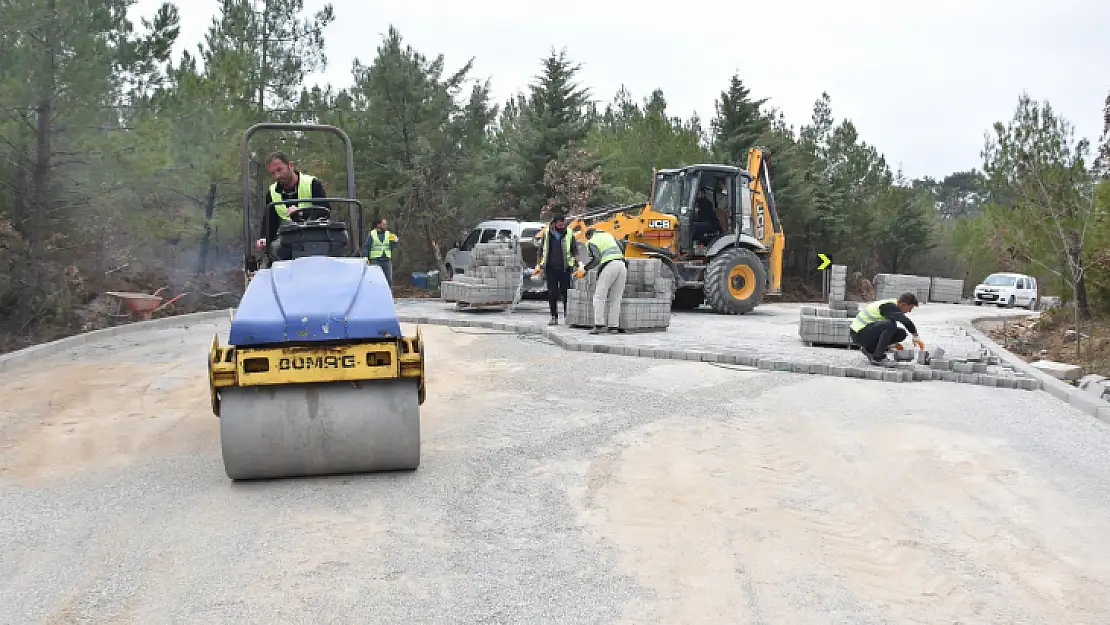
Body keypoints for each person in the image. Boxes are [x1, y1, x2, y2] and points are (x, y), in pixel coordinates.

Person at [256, 151, 329, 257]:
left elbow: (324, 210)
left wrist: (301, 213)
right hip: (288, 240)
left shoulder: (312, 184)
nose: (277, 176)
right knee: (275, 251)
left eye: (279, 170)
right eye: (273, 173)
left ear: (290, 166)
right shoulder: (272, 192)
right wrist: (264, 238)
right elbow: (270, 221)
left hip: (315, 236)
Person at [849, 292, 925, 365]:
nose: (910, 311)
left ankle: (870, 349)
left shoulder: (893, 304)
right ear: (904, 305)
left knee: (901, 333)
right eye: (910, 308)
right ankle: (878, 358)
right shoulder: (889, 306)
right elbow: (904, 320)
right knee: (890, 324)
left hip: (866, 332)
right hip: (858, 334)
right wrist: (915, 335)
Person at [534, 214, 580, 325]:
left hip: (565, 269)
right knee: (552, 293)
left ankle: (567, 316)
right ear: (554, 223)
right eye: (560, 224)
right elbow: (540, 251)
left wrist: (579, 264)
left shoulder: (569, 233)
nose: (562, 226)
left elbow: (575, 250)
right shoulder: (547, 234)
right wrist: (538, 265)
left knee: (565, 293)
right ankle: (554, 316)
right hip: (550, 269)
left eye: (564, 224)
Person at [581, 227, 628, 334]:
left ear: (588, 235)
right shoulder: (609, 235)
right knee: (616, 298)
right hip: (622, 265)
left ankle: (598, 325)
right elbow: (621, 246)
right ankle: (613, 327)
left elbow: (596, 258)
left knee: (599, 296)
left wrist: (585, 269)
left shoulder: (591, 241)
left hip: (609, 266)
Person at [365, 217, 399, 286]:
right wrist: (366, 258)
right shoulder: (372, 234)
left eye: (386, 224)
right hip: (375, 260)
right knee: (375, 280)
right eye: (384, 224)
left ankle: (387, 295)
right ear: (378, 225)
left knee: (389, 280)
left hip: (386, 260)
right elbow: (367, 247)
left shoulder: (388, 234)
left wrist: (395, 241)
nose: (385, 226)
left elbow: (391, 247)